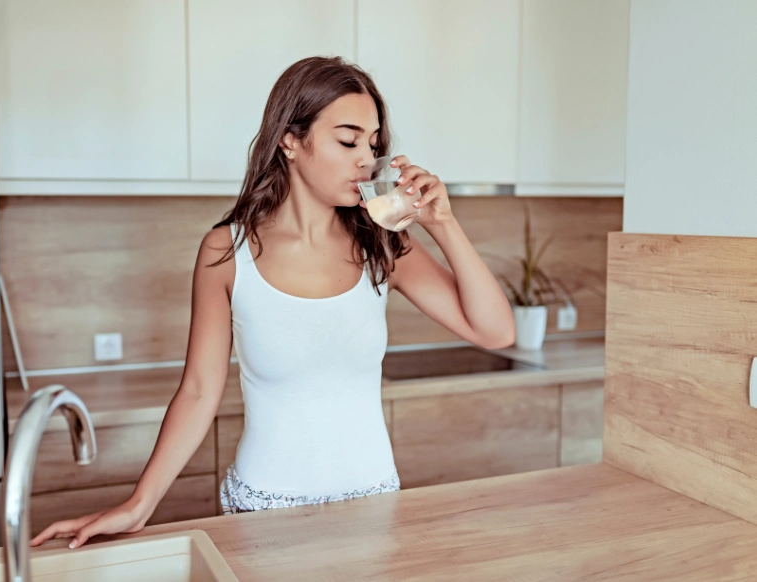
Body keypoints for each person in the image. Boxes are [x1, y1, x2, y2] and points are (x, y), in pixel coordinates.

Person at [30, 56, 515, 550]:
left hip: (374, 507)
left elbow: (496, 332)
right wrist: (139, 504)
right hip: (262, 512)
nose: (365, 160)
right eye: (347, 140)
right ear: (290, 140)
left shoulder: (384, 247)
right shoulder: (227, 251)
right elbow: (199, 390)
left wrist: (443, 224)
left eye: (372, 144)